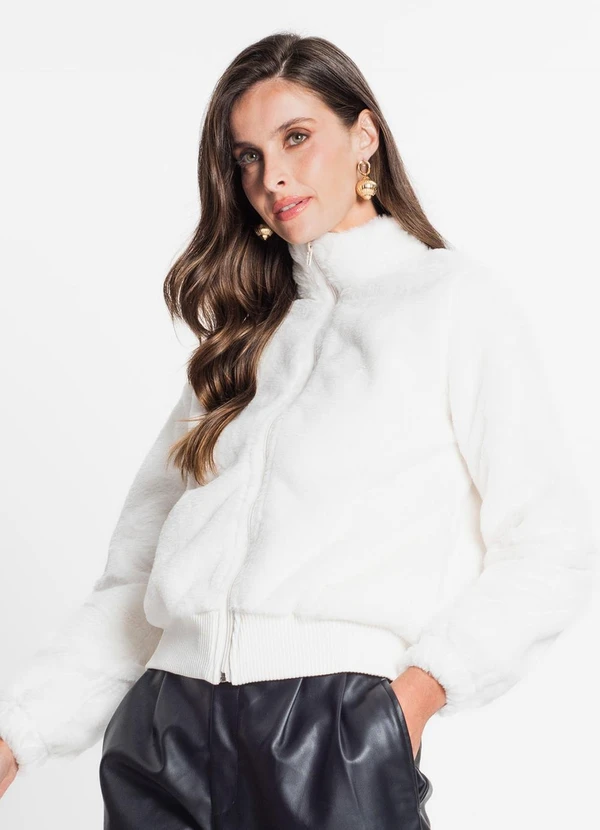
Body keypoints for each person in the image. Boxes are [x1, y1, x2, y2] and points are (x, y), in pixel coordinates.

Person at [0, 31, 595, 829]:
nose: (271, 176)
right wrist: (18, 735)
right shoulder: (240, 342)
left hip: (330, 735)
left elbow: (550, 545)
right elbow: (134, 587)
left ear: (364, 135)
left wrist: (415, 697)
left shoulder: (452, 303)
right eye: (247, 157)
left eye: (296, 137)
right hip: (164, 735)